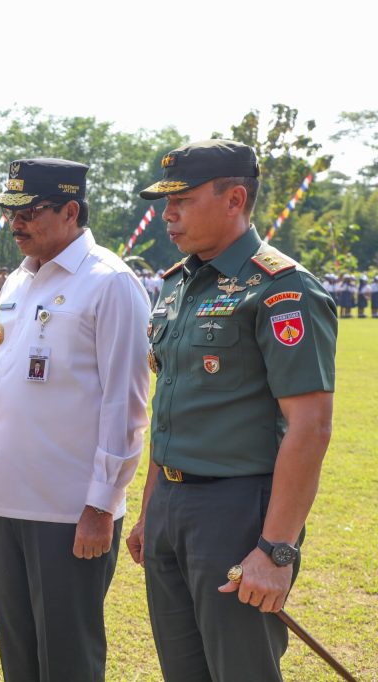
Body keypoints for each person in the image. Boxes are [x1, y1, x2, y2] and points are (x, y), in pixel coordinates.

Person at [125, 140, 337, 682]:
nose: (167, 214)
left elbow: (310, 426)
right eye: (165, 202)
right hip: (171, 504)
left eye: (182, 200)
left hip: (237, 511)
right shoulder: (178, 285)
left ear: (234, 199)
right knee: (183, 670)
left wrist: (276, 550)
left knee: (241, 669)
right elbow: (173, 402)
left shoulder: (282, 289)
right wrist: (151, 509)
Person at [0, 157, 151, 682]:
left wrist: (102, 503)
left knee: (68, 658)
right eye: (10, 212)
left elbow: (126, 404)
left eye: (29, 211)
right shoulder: (17, 282)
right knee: (18, 655)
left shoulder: (109, 282)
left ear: (71, 211)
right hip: (8, 499)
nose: (15, 223)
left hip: (70, 511)